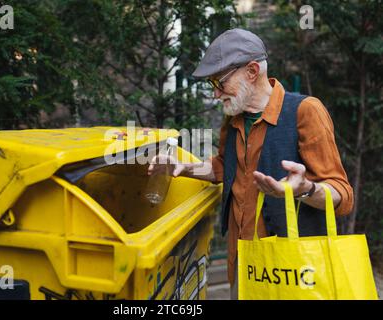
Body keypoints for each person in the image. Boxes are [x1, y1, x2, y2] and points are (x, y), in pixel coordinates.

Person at [147, 28, 354, 300]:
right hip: (242, 266)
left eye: (220, 83)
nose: (216, 94)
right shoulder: (233, 118)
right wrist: (184, 167)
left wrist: (304, 189)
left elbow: (343, 196)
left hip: (292, 273)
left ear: (252, 71)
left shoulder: (306, 111)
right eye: (212, 85)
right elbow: (224, 167)